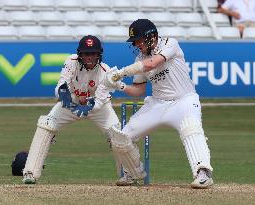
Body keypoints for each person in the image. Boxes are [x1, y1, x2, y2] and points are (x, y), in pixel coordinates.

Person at [104, 19, 213, 188]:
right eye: (135, 41)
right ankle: (133, 173)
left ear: (151, 36)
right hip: (157, 104)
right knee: (121, 138)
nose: (137, 44)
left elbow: (153, 63)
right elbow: (139, 91)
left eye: (139, 40)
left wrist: (121, 73)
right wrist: (120, 86)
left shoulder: (170, 43)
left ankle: (203, 173)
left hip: (184, 101)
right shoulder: (140, 58)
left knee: (191, 130)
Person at [22, 35, 122, 184]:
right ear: (80, 54)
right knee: (46, 124)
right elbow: (60, 87)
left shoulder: (105, 71)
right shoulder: (71, 61)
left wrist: (90, 104)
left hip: (97, 106)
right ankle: (30, 172)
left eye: (93, 53)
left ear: (98, 55)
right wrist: (68, 100)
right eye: (86, 53)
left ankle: (127, 174)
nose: (89, 57)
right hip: (71, 103)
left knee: (117, 133)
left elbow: (101, 100)